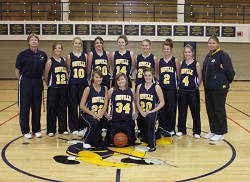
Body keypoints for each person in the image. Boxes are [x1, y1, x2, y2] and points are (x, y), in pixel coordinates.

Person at [15, 33, 48, 139]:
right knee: (24, 107)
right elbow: (17, 70)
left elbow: (44, 69)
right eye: (32, 40)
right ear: (28, 42)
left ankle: (36, 129)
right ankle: (25, 130)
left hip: (38, 81)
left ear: (38, 42)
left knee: (37, 106)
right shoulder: (22, 55)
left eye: (36, 40)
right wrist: (22, 80)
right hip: (26, 81)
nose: (34, 41)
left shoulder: (42, 55)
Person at [202, 36, 235, 141]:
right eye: (210, 43)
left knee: (218, 109)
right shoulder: (208, 56)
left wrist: (223, 83)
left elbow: (230, 72)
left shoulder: (222, 55)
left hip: (219, 88)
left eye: (213, 43)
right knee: (210, 110)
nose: (211, 45)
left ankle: (220, 132)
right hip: (208, 88)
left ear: (217, 44)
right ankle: (213, 130)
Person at [176, 44, 202, 139]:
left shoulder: (196, 64)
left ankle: (197, 131)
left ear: (192, 53)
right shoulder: (181, 63)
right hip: (182, 91)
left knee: (195, 111)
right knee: (182, 111)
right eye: (185, 52)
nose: (187, 54)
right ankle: (181, 129)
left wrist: (195, 86)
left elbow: (200, 78)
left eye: (189, 52)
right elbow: (179, 76)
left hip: (192, 91)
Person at [136, 68, 165, 152]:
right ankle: (158, 133)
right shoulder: (139, 87)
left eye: (149, 75)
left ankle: (152, 145)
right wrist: (141, 112)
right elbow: (137, 102)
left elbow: (162, 102)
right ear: (143, 76)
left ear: (153, 76)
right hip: (143, 112)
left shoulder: (156, 87)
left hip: (153, 112)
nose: (147, 77)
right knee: (144, 137)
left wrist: (152, 111)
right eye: (146, 75)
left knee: (150, 119)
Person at [105, 73, 137, 146]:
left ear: (126, 80)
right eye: (118, 80)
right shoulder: (112, 90)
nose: (120, 81)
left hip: (128, 121)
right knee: (109, 142)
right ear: (116, 81)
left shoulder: (131, 91)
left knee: (131, 143)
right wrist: (106, 114)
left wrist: (136, 113)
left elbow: (136, 102)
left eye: (122, 79)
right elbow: (104, 102)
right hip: (115, 121)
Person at [44, 42, 68, 137]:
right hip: (53, 88)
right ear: (53, 49)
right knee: (52, 109)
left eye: (59, 48)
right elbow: (46, 75)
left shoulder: (64, 60)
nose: (58, 50)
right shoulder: (50, 61)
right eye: (56, 48)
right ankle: (51, 129)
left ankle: (63, 128)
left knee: (62, 108)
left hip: (63, 88)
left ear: (61, 50)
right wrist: (50, 84)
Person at [157, 38, 180, 137]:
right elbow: (157, 74)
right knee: (162, 109)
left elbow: (178, 74)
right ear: (162, 50)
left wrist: (178, 85)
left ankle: (171, 129)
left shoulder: (175, 60)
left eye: (168, 49)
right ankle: (162, 127)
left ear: (171, 50)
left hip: (172, 88)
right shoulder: (159, 61)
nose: (166, 51)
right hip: (162, 88)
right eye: (164, 49)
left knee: (171, 109)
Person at [79, 69, 108, 148]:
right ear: (93, 78)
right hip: (86, 114)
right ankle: (86, 140)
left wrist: (101, 115)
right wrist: (93, 114)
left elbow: (105, 103)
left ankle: (95, 139)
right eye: (97, 77)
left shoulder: (104, 88)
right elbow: (81, 106)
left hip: (99, 114)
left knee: (98, 140)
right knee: (94, 123)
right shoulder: (88, 89)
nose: (99, 79)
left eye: (100, 77)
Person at [87, 36, 111, 132]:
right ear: (94, 44)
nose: (99, 44)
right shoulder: (91, 54)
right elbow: (89, 68)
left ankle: (104, 124)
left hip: (105, 80)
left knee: (105, 102)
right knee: (95, 101)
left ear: (103, 44)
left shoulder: (107, 54)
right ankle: (93, 120)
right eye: (97, 43)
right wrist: (89, 79)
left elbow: (108, 67)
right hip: (95, 81)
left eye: (100, 42)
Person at [66, 37, 88, 136]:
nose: (77, 45)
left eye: (79, 43)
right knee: (73, 106)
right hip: (73, 84)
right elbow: (67, 70)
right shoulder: (69, 56)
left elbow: (87, 70)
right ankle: (73, 127)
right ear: (72, 44)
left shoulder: (85, 56)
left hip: (83, 84)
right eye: (76, 43)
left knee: (83, 106)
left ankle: (82, 126)